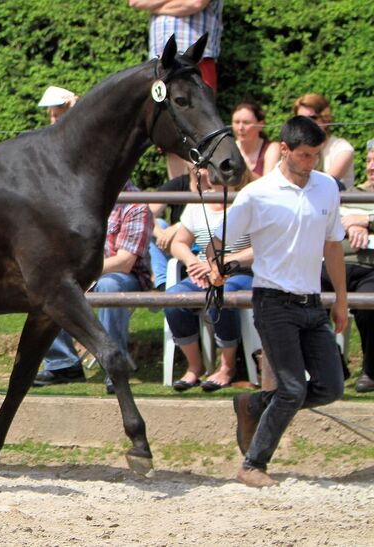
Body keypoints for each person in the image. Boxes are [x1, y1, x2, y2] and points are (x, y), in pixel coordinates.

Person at [211, 116, 347, 487]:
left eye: (316, 155)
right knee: (291, 388)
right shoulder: (257, 194)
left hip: (312, 302)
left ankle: (254, 405)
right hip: (273, 302)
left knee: (331, 388)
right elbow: (221, 240)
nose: (311, 163)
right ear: (284, 149)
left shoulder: (326, 189)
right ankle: (253, 464)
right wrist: (213, 264)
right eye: (304, 155)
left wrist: (341, 300)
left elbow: (333, 244)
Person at [34, 181, 154, 394]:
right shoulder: (82, 198)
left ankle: (113, 367)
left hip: (125, 276)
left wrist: (80, 272)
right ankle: (63, 364)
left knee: (110, 285)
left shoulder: (137, 206)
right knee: (49, 283)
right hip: (86, 273)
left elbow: (125, 262)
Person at [163, 169, 253, 392]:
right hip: (203, 272)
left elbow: (261, 248)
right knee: (174, 298)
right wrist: (192, 262)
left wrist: (219, 265)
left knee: (221, 293)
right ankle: (194, 366)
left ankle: (227, 366)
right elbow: (178, 243)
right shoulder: (197, 205)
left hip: (239, 273)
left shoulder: (246, 203)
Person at [129, 0, 223, 180]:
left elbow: (195, 3)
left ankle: (198, 199)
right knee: (170, 136)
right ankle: (179, 202)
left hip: (196, 59)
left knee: (200, 132)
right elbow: (135, 2)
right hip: (160, 62)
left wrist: (156, 6)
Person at [320, 143, 374, 393]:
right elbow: (328, 220)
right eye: (370, 160)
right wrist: (349, 226)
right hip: (336, 264)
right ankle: (333, 364)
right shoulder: (349, 192)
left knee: (368, 306)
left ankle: (371, 371)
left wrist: (365, 221)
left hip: (370, 267)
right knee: (305, 299)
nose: (371, 167)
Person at [292, 93, 355, 188]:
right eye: (300, 119)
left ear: (325, 119)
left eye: (312, 118)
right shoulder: (293, 148)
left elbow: (326, 184)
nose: (306, 123)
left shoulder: (342, 149)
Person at [148, 170, 198, 290]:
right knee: (155, 225)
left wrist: (177, 227)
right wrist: (161, 235)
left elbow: (206, 217)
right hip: (177, 243)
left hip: (198, 240)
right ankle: (163, 284)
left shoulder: (216, 187)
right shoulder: (179, 183)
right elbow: (147, 213)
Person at [231, 101, 280, 180]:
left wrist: (244, 172)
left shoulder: (271, 148)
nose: (240, 128)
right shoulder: (228, 149)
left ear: (260, 125)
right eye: (236, 122)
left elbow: (268, 184)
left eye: (246, 123)